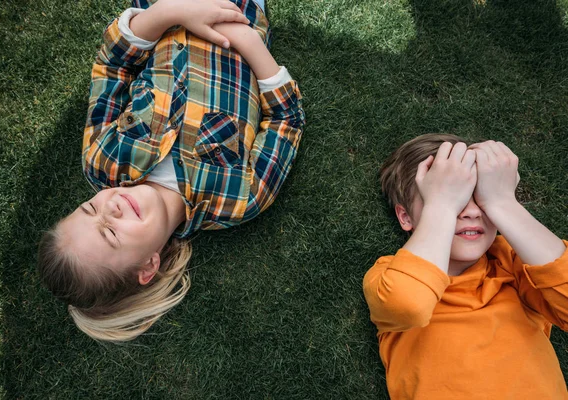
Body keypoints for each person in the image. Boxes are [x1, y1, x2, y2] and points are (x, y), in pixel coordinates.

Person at [38, 0, 305, 342]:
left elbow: (112, 66)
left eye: (89, 208)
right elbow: (287, 120)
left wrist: (171, 11)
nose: (110, 207)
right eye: (110, 233)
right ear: (148, 266)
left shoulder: (102, 160)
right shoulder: (236, 198)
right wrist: (247, 41)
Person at [363, 133, 568, 399]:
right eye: (455, 198)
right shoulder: (390, 273)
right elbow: (408, 304)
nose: (470, 211)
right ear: (405, 216)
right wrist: (443, 206)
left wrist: (503, 203)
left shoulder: (513, 263)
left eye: (478, 196)